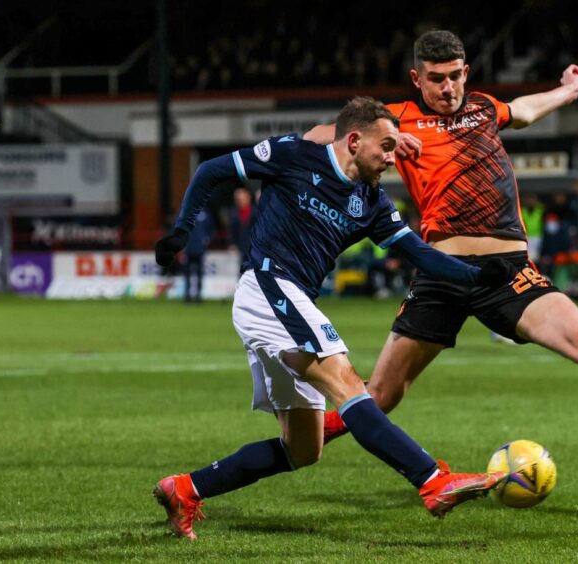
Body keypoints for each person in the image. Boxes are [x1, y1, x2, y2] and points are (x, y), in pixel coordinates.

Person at [307, 30, 578, 481]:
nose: (447, 89)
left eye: (453, 77)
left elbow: (525, 109)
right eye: (435, 80)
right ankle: (301, 439)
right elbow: (316, 137)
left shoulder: (484, 108)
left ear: (466, 73)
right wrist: (382, 141)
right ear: (416, 79)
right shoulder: (398, 120)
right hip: (441, 274)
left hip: (507, 275)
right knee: (383, 395)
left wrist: (567, 90)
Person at [152, 97, 516, 540]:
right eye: (385, 147)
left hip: (289, 300)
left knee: (304, 449)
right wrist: (182, 231)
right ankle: (431, 480)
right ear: (355, 140)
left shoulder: (373, 202)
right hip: (268, 285)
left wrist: (478, 276)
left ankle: (186, 489)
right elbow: (211, 170)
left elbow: (417, 253)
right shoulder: (294, 155)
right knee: (347, 381)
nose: (391, 157)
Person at [182, 209, 214, 303]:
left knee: (199, 272)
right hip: (188, 248)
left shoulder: (205, 214)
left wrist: (207, 238)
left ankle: (198, 294)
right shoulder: (185, 212)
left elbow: (211, 228)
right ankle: (187, 293)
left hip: (200, 248)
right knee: (187, 272)